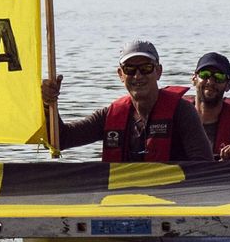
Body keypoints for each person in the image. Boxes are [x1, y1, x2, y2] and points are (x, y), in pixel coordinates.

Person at [41, 39, 214, 161]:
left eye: (146, 68)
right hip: (122, 203)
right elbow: (62, 139)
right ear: (120, 75)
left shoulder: (182, 112)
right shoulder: (109, 114)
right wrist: (48, 104)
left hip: (171, 201)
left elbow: (204, 165)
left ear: (158, 72)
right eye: (130, 69)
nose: (138, 76)